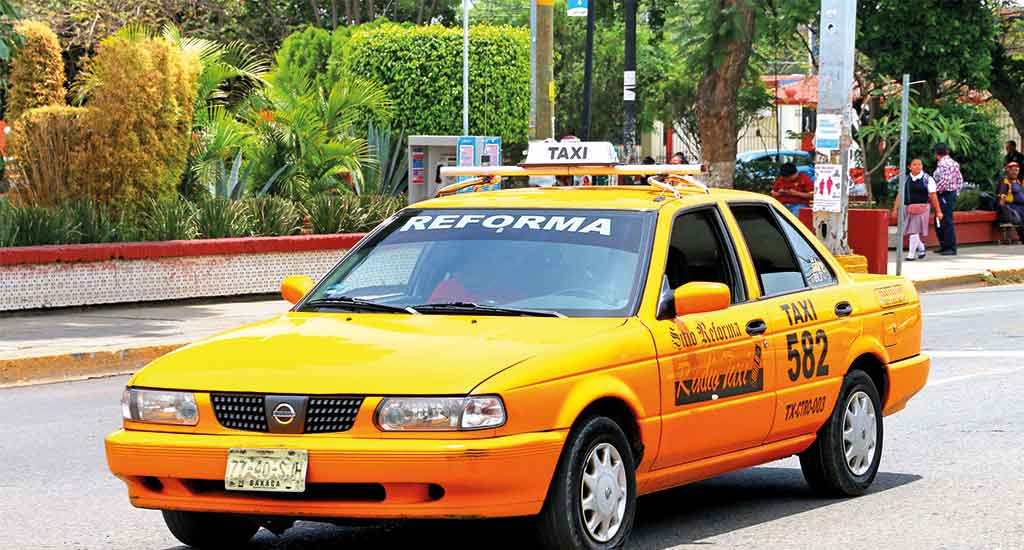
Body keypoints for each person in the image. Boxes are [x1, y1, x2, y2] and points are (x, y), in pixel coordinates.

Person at [892, 159, 942, 261]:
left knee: (914, 231)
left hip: (922, 209)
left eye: (919, 164)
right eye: (914, 164)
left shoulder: (928, 179)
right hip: (908, 209)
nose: (918, 166)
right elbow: (899, 194)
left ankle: (911, 255)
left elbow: (933, 196)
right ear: (909, 167)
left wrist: (938, 211)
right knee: (911, 231)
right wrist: (895, 209)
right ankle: (921, 247)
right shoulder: (905, 179)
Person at [932, 143, 964, 256]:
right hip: (950, 194)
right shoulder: (953, 163)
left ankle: (949, 247)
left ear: (937, 154)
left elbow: (945, 181)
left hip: (944, 194)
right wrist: (956, 193)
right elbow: (960, 179)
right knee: (941, 220)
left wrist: (933, 192)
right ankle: (945, 246)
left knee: (944, 220)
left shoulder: (943, 164)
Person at [996, 161, 1024, 243]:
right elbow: (1001, 201)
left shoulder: (1017, 182)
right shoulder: (1004, 183)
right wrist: (1004, 209)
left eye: (1016, 170)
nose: (1015, 172)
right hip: (1009, 207)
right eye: (1012, 170)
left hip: (1018, 206)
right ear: (1007, 171)